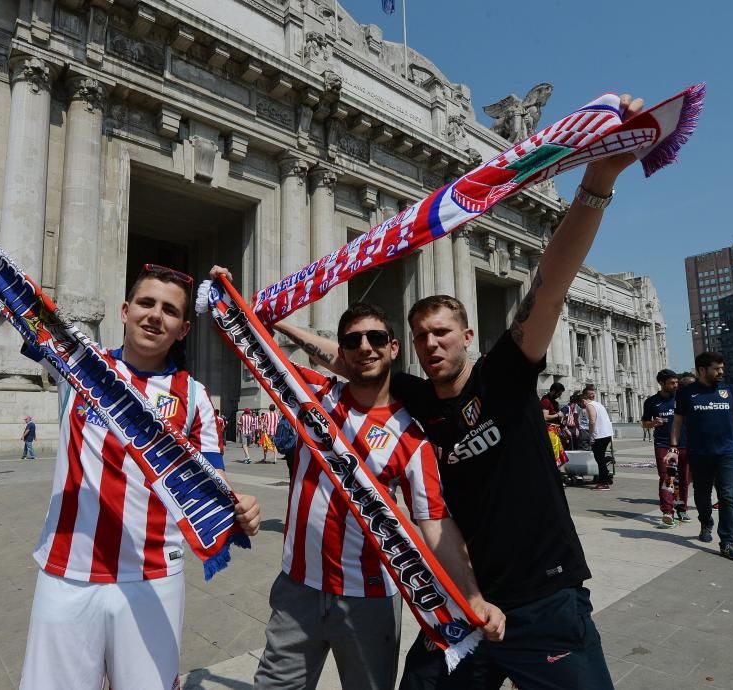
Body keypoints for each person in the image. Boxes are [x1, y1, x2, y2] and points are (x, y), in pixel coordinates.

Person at [270, 93, 645, 686]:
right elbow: (345, 361)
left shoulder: (508, 374)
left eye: (441, 332)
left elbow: (549, 284)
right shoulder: (418, 401)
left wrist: (597, 182)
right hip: (459, 605)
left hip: (545, 600)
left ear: (468, 335)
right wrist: (277, 325)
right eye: (420, 337)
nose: (431, 344)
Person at [0, 164, 261, 690]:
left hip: (154, 578)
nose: (155, 316)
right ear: (124, 311)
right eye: (145, 303)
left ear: (184, 328)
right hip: (67, 572)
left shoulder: (194, 397)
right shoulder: (80, 367)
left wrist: (241, 512)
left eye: (170, 311)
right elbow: (13, 296)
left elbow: (210, 484)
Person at [263, 301, 505, 690]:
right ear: (341, 352)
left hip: (369, 601)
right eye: (352, 340)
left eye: (376, 338)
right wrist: (265, 316)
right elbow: (256, 347)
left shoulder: (413, 438)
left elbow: (435, 522)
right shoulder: (314, 396)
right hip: (297, 589)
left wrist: (472, 596)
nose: (365, 347)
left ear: (393, 348)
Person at [670, 352, 733, 562]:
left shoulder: (730, 391)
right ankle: (706, 522)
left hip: (727, 453)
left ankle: (727, 542)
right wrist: (674, 447)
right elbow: (677, 422)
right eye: (716, 368)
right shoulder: (686, 394)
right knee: (702, 495)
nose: (721, 372)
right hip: (700, 453)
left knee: (728, 496)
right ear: (702, 370)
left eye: (722, 368)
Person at [641, 369, 691, 527]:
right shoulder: (651, 402)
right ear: (662, 383)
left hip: (684, 443)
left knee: (683, 479)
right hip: (663, 444)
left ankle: (682, 508)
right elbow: (644, 423)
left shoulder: (683, 398)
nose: (676, 385)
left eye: (677, 382)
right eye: (672, 383)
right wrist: (653, 423)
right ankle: (668, 512)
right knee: (667, 477)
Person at [584, 385, 615, 490]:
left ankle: (603, 482)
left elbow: (592, 421)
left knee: (599, 459)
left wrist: (591, 435)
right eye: (591, 394)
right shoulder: (598, 404)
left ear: (584, 398)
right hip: (606, 434)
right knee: (600, 457)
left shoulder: (589, 405)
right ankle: (607, 478)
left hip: (599, 435)